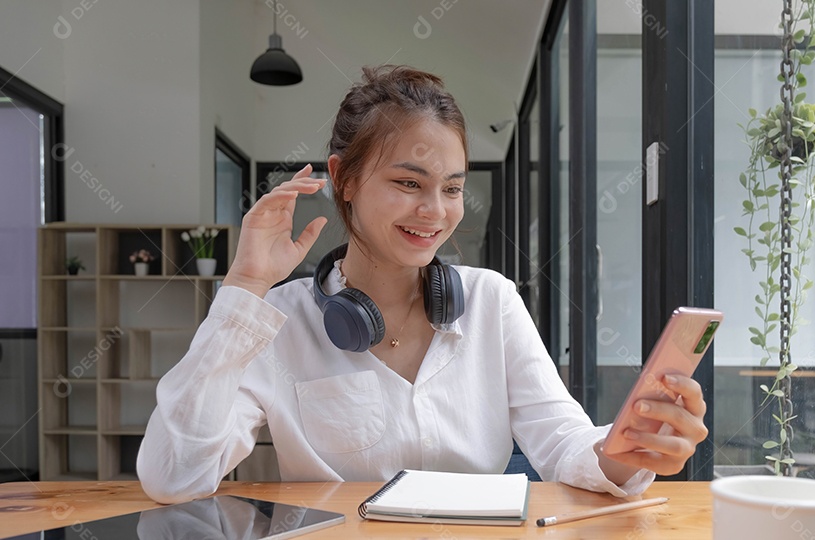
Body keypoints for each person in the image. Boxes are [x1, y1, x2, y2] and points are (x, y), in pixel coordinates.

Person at [137, 65, 708, 504]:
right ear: (345, 180)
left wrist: (628, 449)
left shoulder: (491, 301)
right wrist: (244, 287)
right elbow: (174, 476)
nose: (434, 211)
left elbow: (562, 442)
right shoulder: (275, 320)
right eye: (409, 182)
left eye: (453, 188)